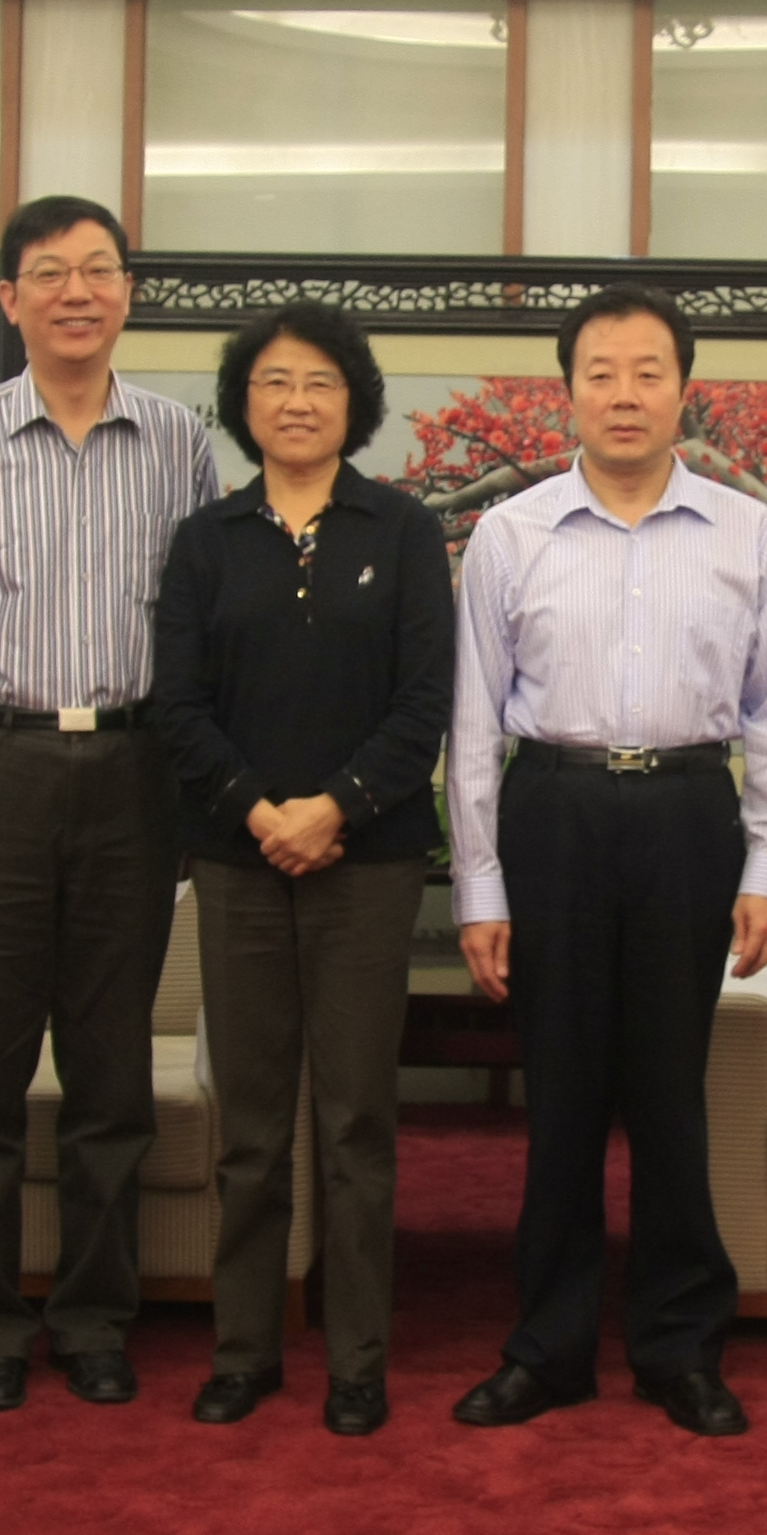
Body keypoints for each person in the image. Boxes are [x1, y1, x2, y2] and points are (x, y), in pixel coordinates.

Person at [445, 285, 767, 1437]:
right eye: (600, 373)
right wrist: (479, 887)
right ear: (568, 392)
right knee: (559, 1098)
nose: (623, 393)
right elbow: (473, 724)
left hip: (688, 814)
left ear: (682, 389)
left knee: (669, 1096)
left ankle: (679, 1345)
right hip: (552, 811)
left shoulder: (746, 532)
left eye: (647, 372)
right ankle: (548, 1347)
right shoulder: (511, 534)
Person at [0, 195, 219, 1413]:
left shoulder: (180, 442)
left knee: (109, 1073)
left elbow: (200, 631)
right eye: (49, 273)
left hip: (133, 774)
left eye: (98, 271)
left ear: (127, 292)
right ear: (9, 298)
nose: (76, 292)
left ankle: (91, 1317)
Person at [151, 301, 454, 1436]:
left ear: (355, 402)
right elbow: (178, 708)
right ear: (244, 403)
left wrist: (333, 810)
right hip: (236, 863)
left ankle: (359, 1360)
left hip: (366, 866)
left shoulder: (403, 531)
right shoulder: (206, 540)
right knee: (250, 1122)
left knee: (356, 1123)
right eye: (274, 381)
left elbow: (424, 704)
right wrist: (259, 811)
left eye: (320, 382)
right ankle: (244, 1350)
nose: (296, 401)